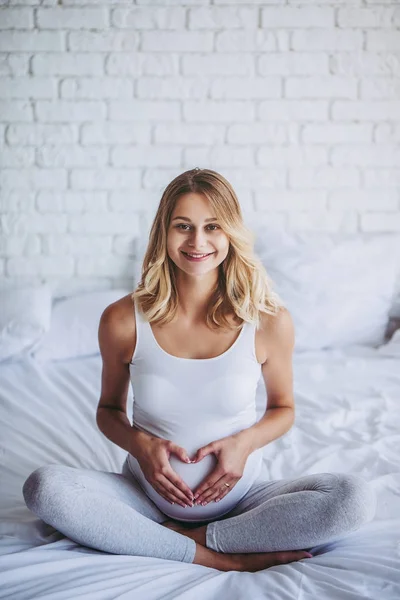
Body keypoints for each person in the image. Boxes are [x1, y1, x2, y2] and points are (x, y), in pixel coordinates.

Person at [22, 168, 377, 573]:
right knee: (45, 488)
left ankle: (182, 540)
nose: (197, 242)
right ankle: (215, 558)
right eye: (183, 226)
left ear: (231, 233)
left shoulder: (268, 320)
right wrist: (141, 446)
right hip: (144, 496)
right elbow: (108, 411)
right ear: (163, 232)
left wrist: (244, 444)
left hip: (240, 501)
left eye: (213, 226)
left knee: (354, 498)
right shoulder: (122, 320)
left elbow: (283, 409)